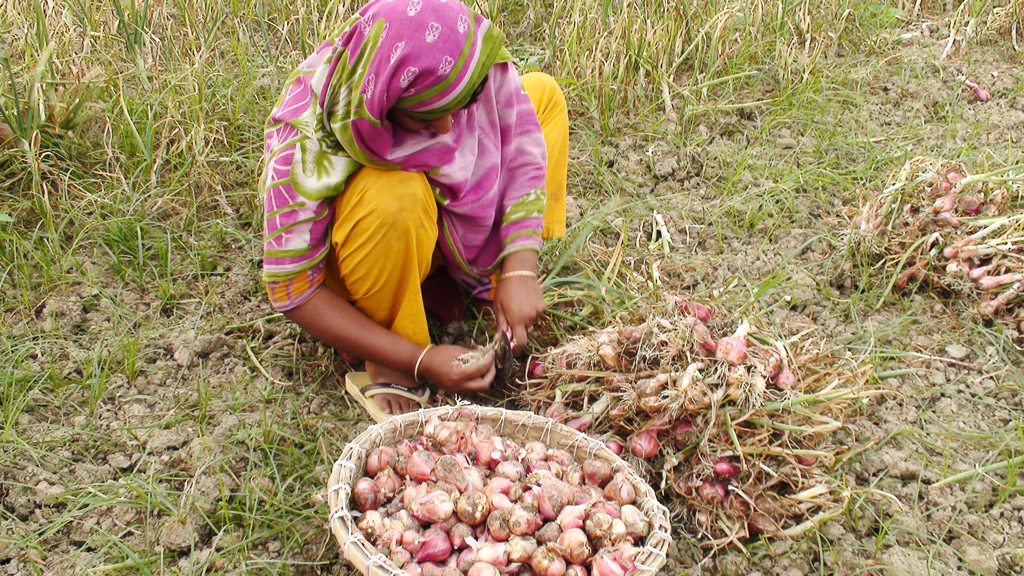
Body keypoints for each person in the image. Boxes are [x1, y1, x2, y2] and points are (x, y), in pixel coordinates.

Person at [259, 0, 568, 420]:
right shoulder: (310, 135)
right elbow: (294, 291)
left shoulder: (469, 64)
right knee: (394, 198)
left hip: (430, 231)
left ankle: (481, 281)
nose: (446, 130)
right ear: (384, 102)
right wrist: (420, 360)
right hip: (367, 249)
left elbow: (520, 145)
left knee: (542, 97)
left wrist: (520, 266)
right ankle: (390, 346)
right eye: (424, 118)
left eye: (459, 105)